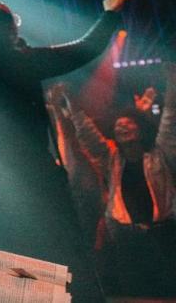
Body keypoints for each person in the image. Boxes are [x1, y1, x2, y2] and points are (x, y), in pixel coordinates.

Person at [0, 0, 129, 301]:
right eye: (12, 22)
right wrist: (109, 15)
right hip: (27, 182)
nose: (17, 29)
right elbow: (80, 51)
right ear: (3, 28)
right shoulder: (8, 61)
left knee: (18, 276)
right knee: (61, 263)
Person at [63, 66, 176, 297]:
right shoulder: (111, 159)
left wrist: (173, 82)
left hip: (164, 233)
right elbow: (86, 133)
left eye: (128, 123)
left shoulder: (159, 154)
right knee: (134, 290)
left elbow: (170, 120)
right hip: (126, 237)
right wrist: (71, 103)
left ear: (141, 129)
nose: (121, 125)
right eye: (118, 125)